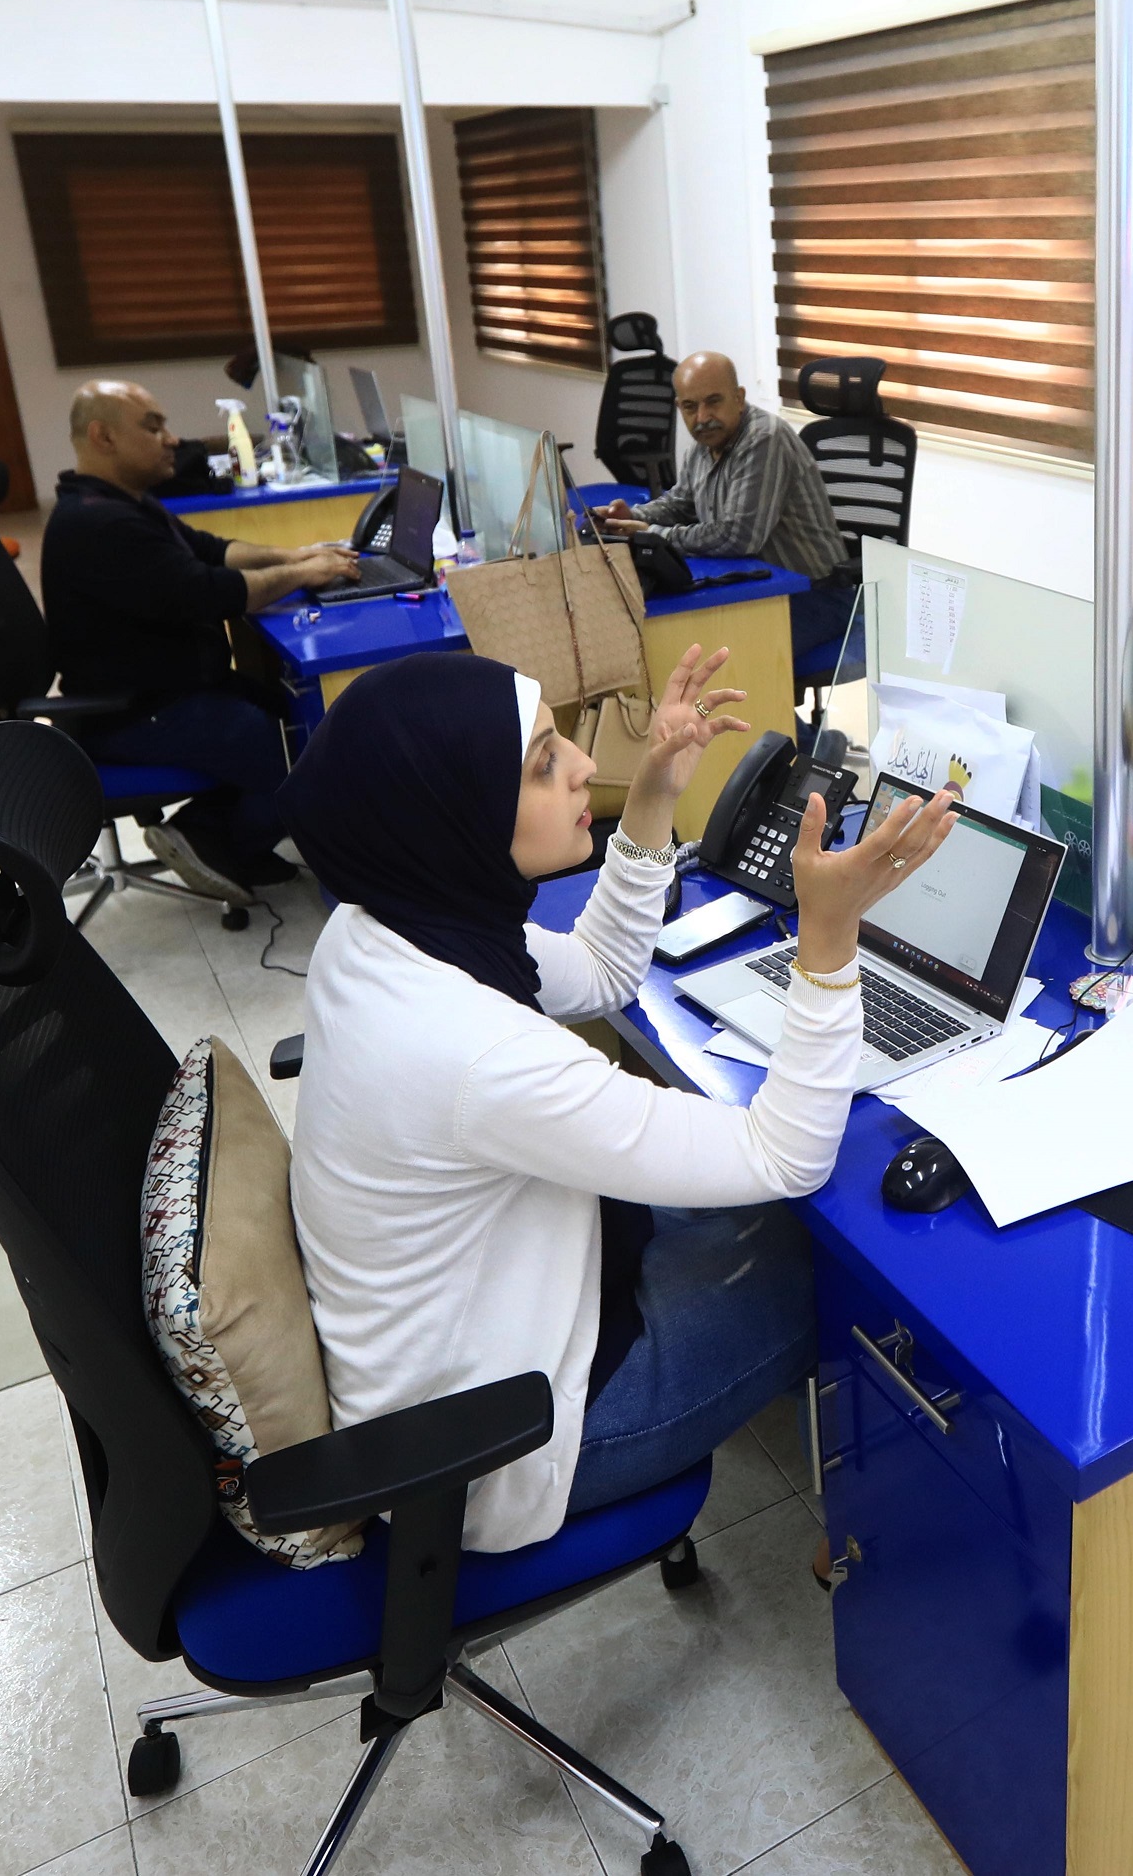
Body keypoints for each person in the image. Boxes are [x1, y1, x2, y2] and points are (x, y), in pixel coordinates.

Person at [281, 641, 960, 1551]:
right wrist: (829, 942)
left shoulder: (388, 927)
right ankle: (904, 1549)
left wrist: (651, 798)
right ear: (455, 811)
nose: (584, 767)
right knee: (851, 1283)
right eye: (543, 764)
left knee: (765, 1227)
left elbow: (599, 972)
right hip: (498, 1444)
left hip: (463, 1334)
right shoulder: (471, 1048)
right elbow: (785, 1155)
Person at [41, 379, 364, 902]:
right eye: (153, 427)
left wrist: (297, 556)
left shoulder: (123, 504)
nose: (172, 439)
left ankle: (222, 840)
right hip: (132, 710)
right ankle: (210, 837)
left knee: (301, 714)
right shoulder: (97, 525)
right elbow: (212, 592)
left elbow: (211, 551)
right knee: (295, 749)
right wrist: (304, 575)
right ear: (103, 437)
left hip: (169, 688)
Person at [598, 352, 853, 655]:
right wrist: (631, 517)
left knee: (719, 655)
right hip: (753, 587)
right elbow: (680, 503)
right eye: (690, 407)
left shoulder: (764, 439)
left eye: (713, 401)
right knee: (666, 634)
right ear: (679, 408)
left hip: (814, 594)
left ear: (739, 397)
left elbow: (738, 535)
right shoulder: (703, 445)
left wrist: (651, 535)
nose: (702, 417)